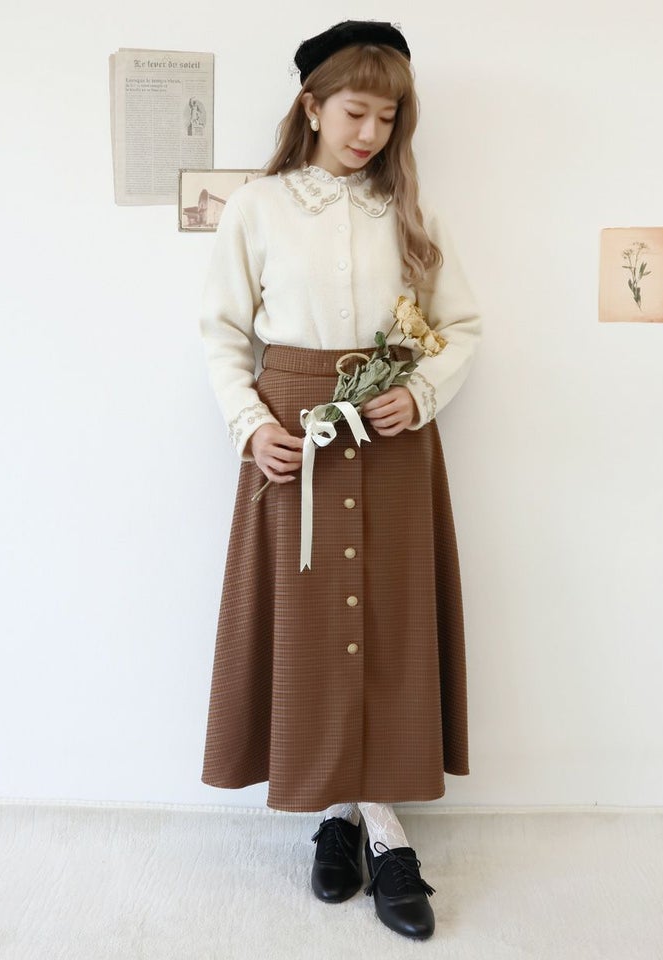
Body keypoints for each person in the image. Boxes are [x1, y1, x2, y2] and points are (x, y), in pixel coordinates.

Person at [198, 20, 481, 940]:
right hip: (295, 436)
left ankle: (365, 827)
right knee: (313, 630)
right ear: (312, 106)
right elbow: (221, 333)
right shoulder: (258, 207)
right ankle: (353, 823)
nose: (370, 133)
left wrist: (422, 393)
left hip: (391, 433)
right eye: (356, 111)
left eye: (388, 117)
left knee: (388, 628)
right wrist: (251, 427)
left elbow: (461, 326)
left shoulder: (413, 211)